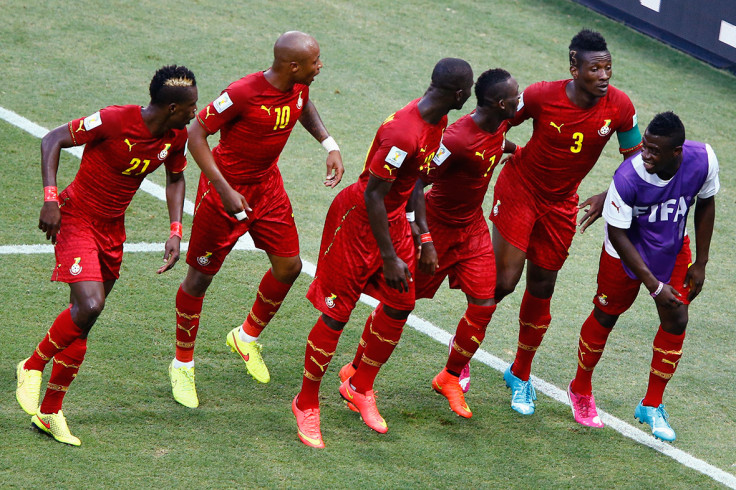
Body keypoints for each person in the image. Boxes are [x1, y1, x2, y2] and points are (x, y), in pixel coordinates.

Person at [291, 58, 474, 448]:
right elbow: (374, 194)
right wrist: (390, 257)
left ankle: (359, 387)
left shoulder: (436, 122)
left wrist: (423, 238)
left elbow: (416, 184)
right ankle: (305, 404)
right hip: (359, 223)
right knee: (336, 315)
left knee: (401, 303)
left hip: (391, 223)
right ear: (458, 94)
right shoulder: (403, 133)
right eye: (469, 88)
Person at [15, 65, 198, 445]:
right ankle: (31, 365)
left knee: (82, 320)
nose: (196, 112)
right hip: (77, 216)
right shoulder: (114, 119)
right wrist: (50, 199)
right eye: (190, 106)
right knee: (92, 304)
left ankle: (49, 413)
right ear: (170, 107)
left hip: (113, 231)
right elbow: (52, 139)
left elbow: (176, 178)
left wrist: (175, 231)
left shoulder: (176, 134)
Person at [169, 31, 344, 409]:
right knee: (199, 279)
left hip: (268, 187)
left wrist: (329, 144)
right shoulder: (244, 92)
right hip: (224, 193)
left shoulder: (298, 85)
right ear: (293, 65)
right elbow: (195, 132)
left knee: (289, 266)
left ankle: (245, 338)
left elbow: (304, 105)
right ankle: (182, 364)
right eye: (315, 62)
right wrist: (224, 188)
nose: (320, 67)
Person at [338, 68, 520, 419]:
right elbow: (416, 182)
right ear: (499, 103)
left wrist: (518, 152)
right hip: (437, 230)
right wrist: (422, 237)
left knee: (485, 303)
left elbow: (497, 144)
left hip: (473, 229)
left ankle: (449, 377)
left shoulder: (501, 124)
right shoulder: (454, 140)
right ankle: (357, 373)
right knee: (398, 305)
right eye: (515, 96)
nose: (520, 100)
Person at [490, 29, 643, 415]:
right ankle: (456, 367)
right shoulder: (542, 94)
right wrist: (494, 150)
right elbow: (498, 120)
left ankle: (520, 374)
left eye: (608, 67)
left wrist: (609, 194)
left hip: (561, 205)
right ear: (574, 68)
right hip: (521, 189)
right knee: (503, 283)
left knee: (543, 287)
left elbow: (638, 162)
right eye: (595, 68)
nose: (604, 75)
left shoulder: (620, 107)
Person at [567, 112, 718, 441]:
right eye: (644, 146)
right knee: (606, 314)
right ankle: (580, 388)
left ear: (676, 153)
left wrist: (701, 263)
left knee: (677, 319)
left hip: (672, 244)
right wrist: (655, 286)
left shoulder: (704, 160)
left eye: (653, 151)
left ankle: (651, 404)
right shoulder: (628, 176)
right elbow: (619, 235)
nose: (644, 155)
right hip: (625, 250)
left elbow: (706, 203)